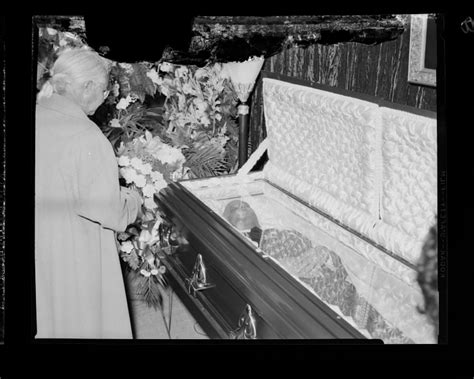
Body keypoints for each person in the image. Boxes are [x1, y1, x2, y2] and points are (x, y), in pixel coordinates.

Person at [35, 48, 143, 338]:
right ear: (86, 87)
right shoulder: (85, 135)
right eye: (105, 90)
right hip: (72, 251)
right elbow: (110, 211)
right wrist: (135, 200)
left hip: (40, 244)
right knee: (84, 321)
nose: (105, 96)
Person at [223, 199, 414, 343]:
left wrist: (325, 253)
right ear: (227, 222)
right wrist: (285, 266)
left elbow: (319, 250)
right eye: (233, 208)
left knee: (368, 310)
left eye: (245, 205)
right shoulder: (239, 250)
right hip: (298, 295)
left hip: (329, 279)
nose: (240, 206)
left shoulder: (282, 232)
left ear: (256, 215)